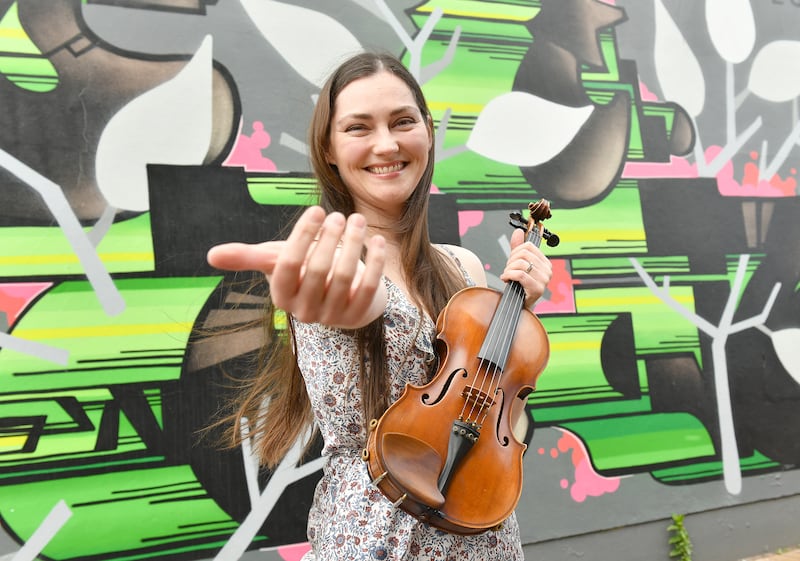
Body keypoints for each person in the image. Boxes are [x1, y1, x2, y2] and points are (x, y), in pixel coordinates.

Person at [206, 51, 553, 560]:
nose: (386, 144)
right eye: (358, 128)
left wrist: (518, 312)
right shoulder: (336, 263)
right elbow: (364, 299)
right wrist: (355, 306)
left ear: (429, 132)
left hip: (480, 527)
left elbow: (493, 400)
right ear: (328, 148)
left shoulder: (464, 268)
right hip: (378, 534)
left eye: (402, 121)